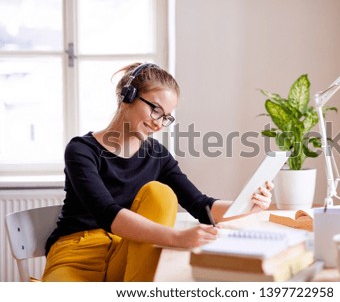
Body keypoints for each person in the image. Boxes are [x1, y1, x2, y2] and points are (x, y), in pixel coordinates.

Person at [42, 62, 274, 282]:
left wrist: (248, 205)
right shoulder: (82, 150)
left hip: (128, 251)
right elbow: (106, 213)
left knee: (159, 193)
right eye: (155, 110)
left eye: (166, 117)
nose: (159, 123)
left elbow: (201, 205)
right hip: (77, 253)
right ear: (127, 97)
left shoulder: (158, 155)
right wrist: (176, 238)